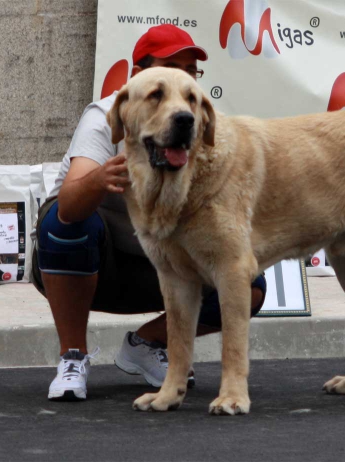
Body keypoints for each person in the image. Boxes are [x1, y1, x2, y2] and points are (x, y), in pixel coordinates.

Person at [31, 24, 267, 401]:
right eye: (170, 68)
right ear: (140, 76)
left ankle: (147, 344)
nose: (183, 79)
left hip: (162, 267)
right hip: (95, 267)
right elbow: (70, 208)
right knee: (65, 223)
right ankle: (72, 357)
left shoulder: (195, 121)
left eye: (190, 71)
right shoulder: (105, 115)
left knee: (250, 286)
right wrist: (98, 180)